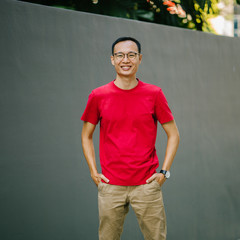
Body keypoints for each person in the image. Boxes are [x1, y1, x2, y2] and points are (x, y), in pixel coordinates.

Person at [81, 37, 180, 240]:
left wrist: (164, 172)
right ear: (112, 59)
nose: (125, 60)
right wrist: (93, 172)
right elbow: (86, 136)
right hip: (110, 186)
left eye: (131, 55)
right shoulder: (98, 95)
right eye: (120, 55)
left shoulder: (154, 94)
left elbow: (174, 135)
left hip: (147, 185)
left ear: (140, 59)